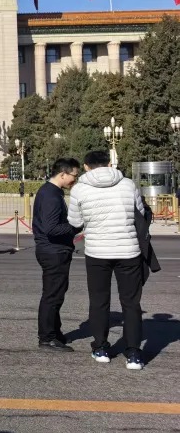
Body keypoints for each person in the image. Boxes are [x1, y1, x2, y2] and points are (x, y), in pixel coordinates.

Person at [67, 150, 150, 370]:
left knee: (99, 301)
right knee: (131, 303)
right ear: (110, 164)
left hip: (97, 252)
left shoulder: (79, 189)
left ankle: (101, 348)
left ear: (86, 166)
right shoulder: (128, 184)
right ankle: (134, 353)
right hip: (128, 250)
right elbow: (139, 213)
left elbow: (75, 222)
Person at [31, 159, 82, 351]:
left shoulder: (51, 192)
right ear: (62, 174)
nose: (75, 180)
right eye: (74, 176)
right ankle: (47, 338)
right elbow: (52, 228)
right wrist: (76, 227)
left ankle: (55, 332)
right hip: (54, 251)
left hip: (53, 250)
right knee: (52, 296)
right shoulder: (51, 195)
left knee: (56, 294)